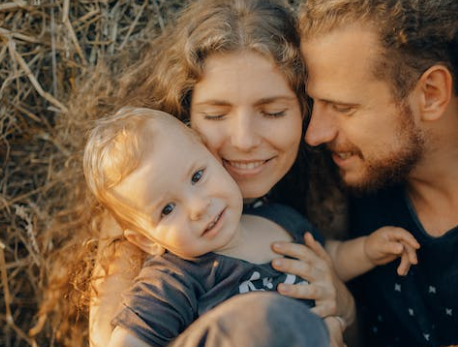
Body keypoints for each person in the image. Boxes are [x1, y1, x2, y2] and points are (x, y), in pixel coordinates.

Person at [86, 1, 357, 347]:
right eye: (215, 115)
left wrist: (343, 306)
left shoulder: (312, 196)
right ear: (185, 121)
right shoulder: (143, 222)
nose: (243, 141)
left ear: (304, 110)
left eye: (273, 112)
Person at [84, 107, 421, 347]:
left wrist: (365, 251)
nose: (199, 207)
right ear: (145, 239)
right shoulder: (174, 279)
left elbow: (325, 258)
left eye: (198, 176)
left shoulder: (277, 217)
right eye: (168, 209)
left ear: (215, 158)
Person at [287, 0, 458, 346]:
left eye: (343, 107)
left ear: (431, 94)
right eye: (314, 104)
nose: (314, 135)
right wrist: (344, 309)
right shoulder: (347, 184)